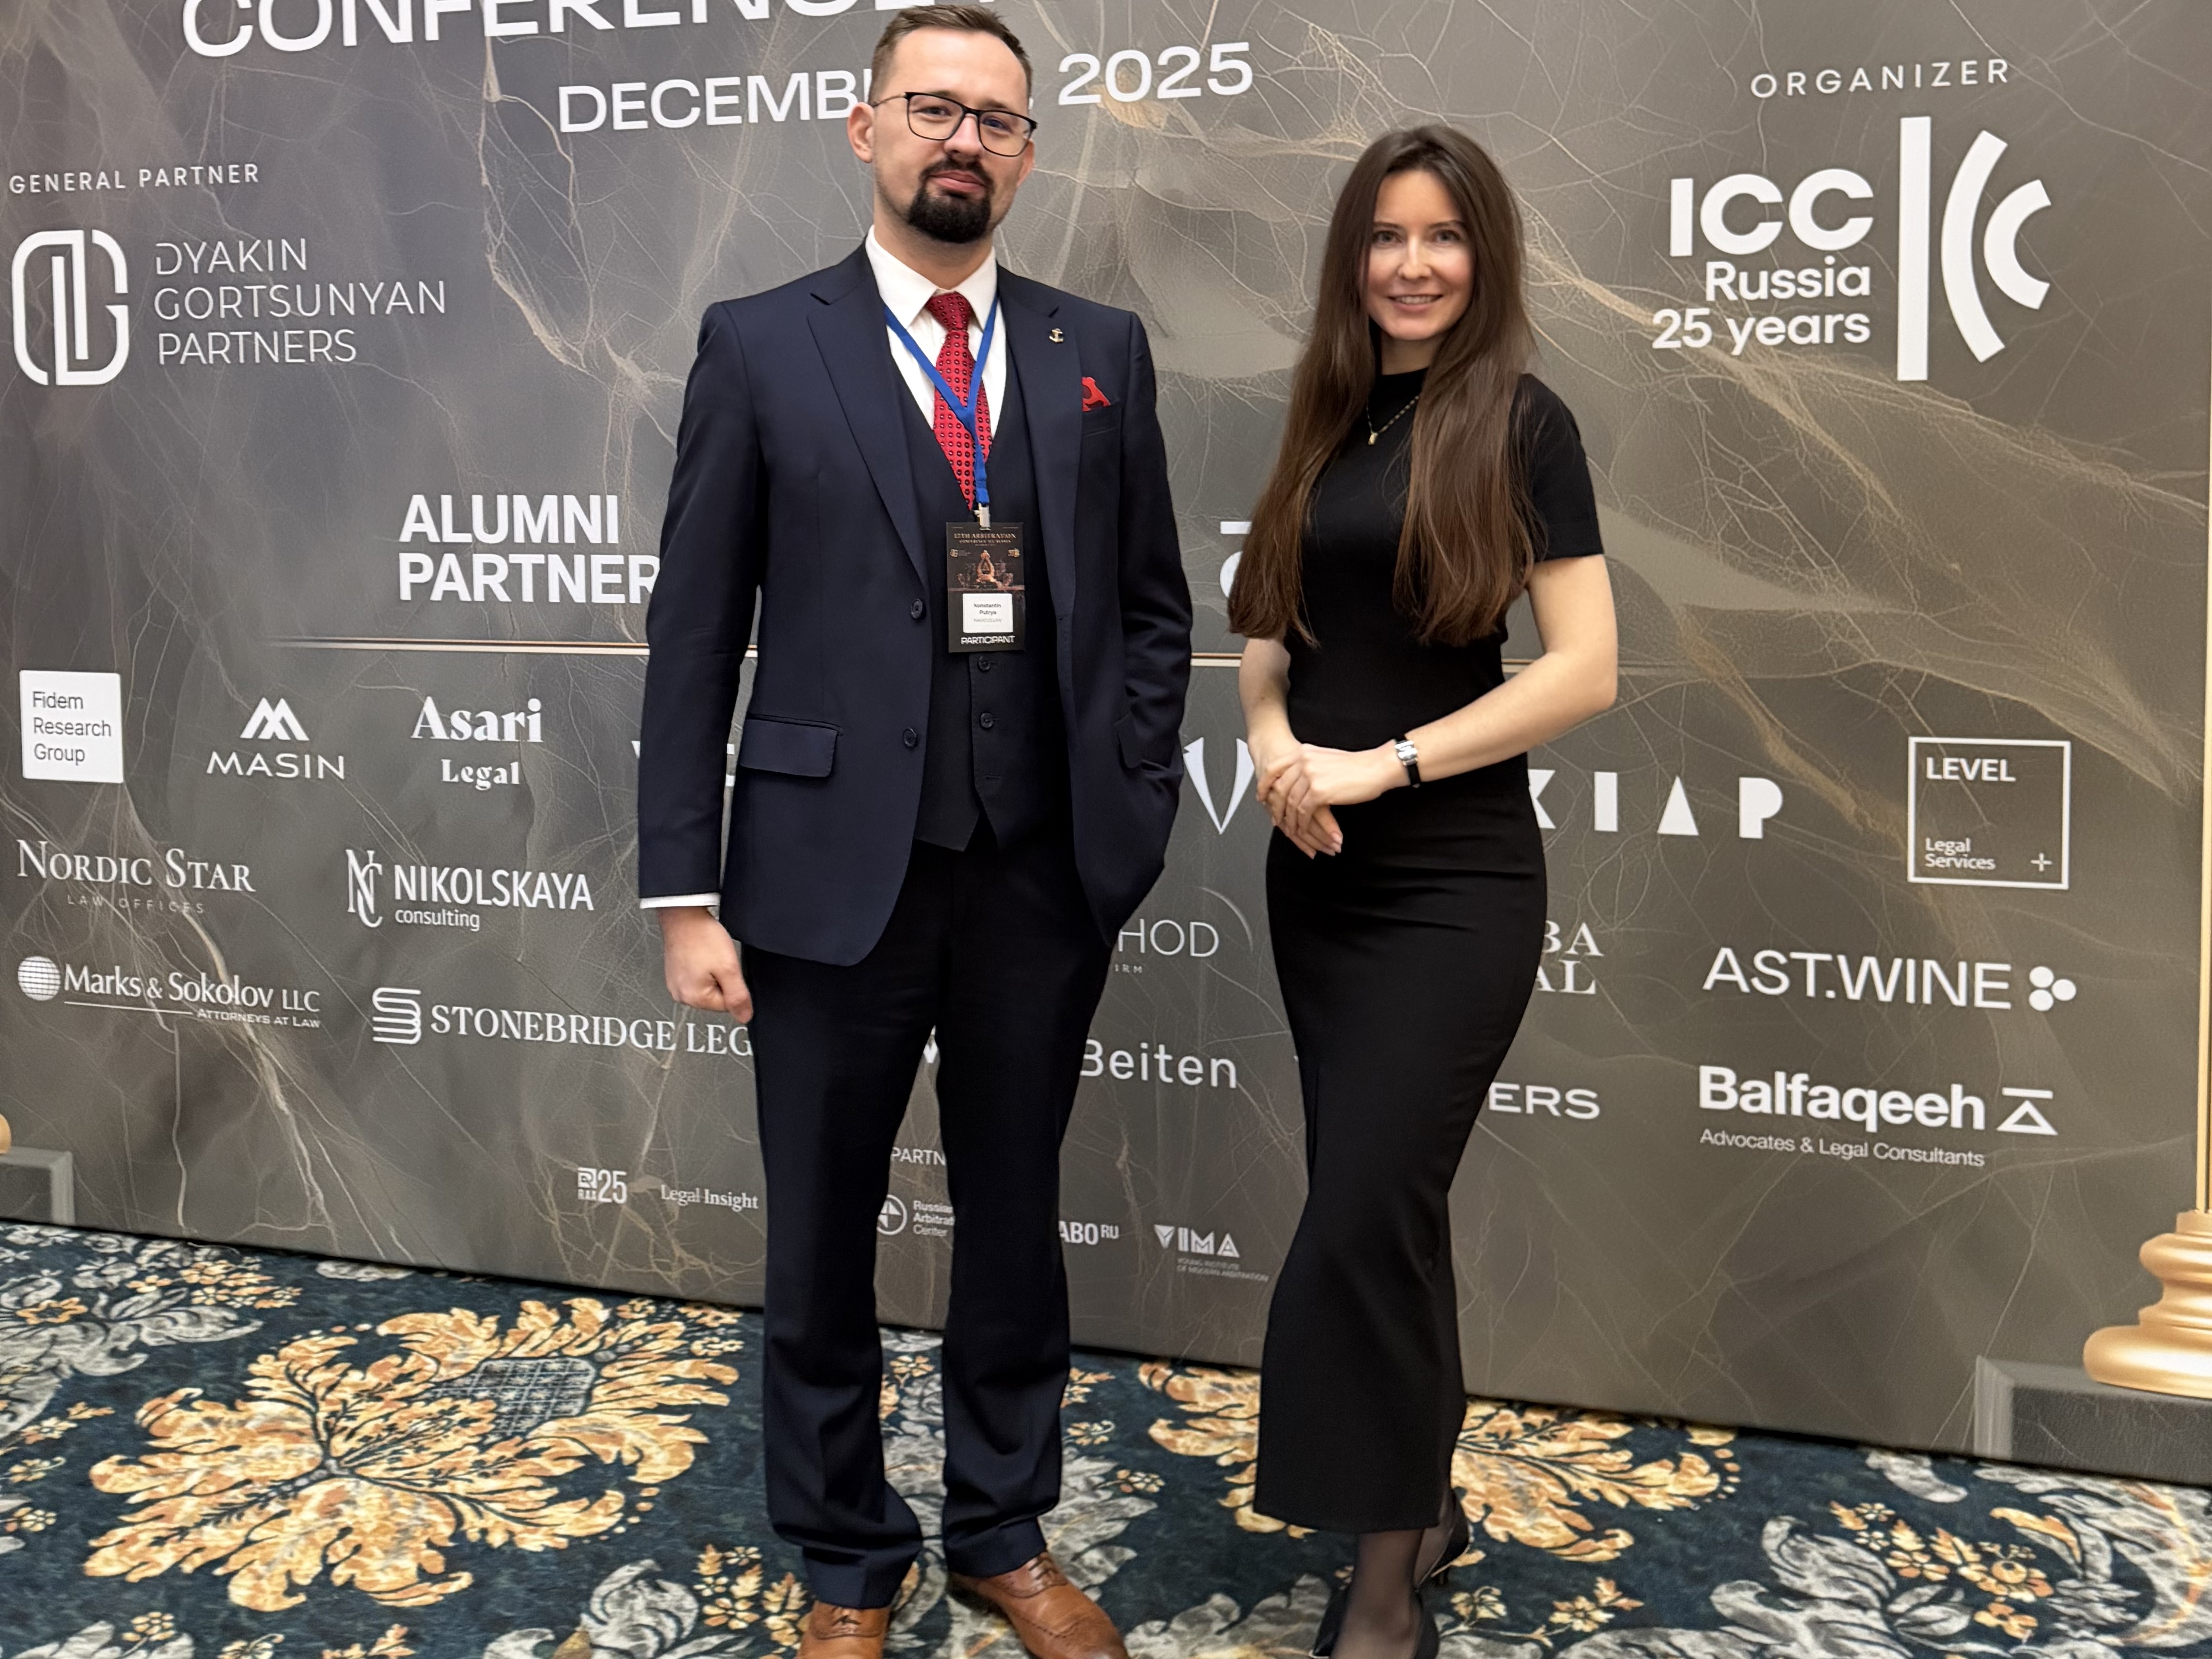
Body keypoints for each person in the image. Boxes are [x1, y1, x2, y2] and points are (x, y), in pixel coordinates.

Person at [635, 8, 1192, 1658]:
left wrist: (1126, 804)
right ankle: (843, 1557)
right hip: (821, 877)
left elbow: (1152, 607)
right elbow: (693, 632)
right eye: (934, 108)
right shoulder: (760, 343)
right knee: (820, 1229)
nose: (965, 141)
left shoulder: (1098, 347)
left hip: (1039, 873)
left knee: (1014, 1216)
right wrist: (683, 890)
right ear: (864, 125)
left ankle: (1002, 1529)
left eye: (997, 120)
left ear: (1026, 153)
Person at [1228, 126, 1618, 1659]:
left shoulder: (1523, 421)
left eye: (1442, 235)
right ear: (1352, 257)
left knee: (1365, 1206)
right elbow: (1267, 636)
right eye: (1385, 236)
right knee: (1389, 1213)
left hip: (1454, 882)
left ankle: (1382, 1593)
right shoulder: (1326, 417)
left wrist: (1380, 766)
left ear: (1483, 255)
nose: (1412, 263)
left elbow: (1585, 671)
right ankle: (1424, 1504)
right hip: (1317, 879)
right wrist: (1278, 752)